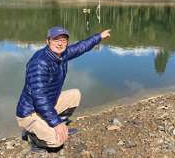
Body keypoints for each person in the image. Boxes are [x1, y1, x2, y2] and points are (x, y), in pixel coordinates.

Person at [16, 26, 111, 154]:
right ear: (47, 41)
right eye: (55, 39)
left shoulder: (62, 54)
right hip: (29, 113)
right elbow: (40, 98)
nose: (60, 43)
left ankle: (60, 126)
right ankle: (33, 137)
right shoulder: (40, 63)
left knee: (75, 94)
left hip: (46, 106)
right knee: (57, 141)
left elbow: (80, 47)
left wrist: (99, 37)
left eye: (64, 40)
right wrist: (56, 123)